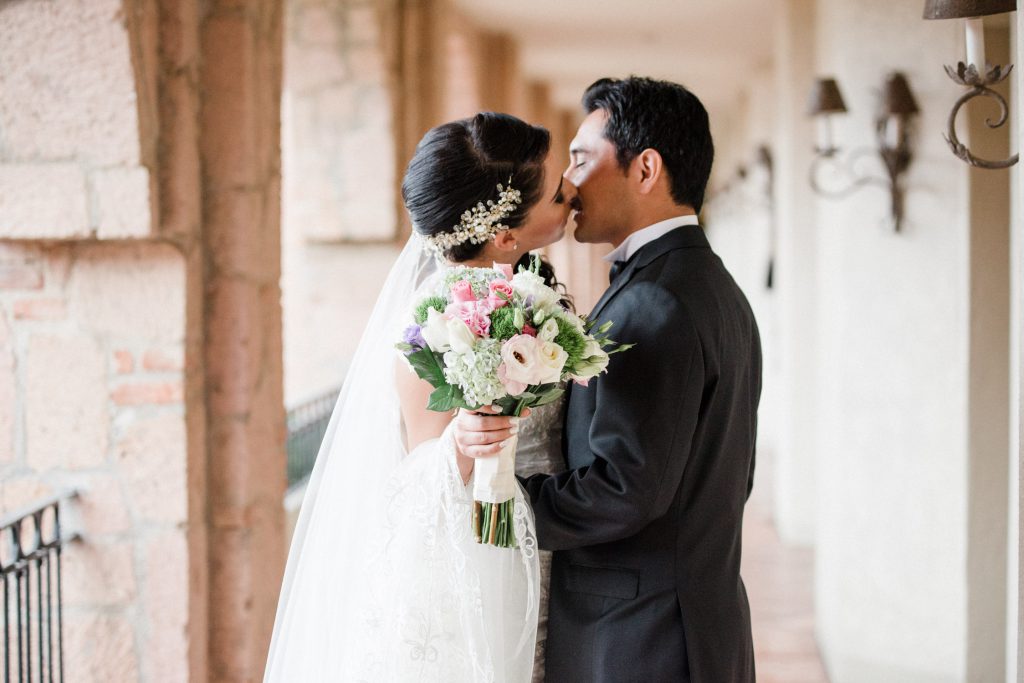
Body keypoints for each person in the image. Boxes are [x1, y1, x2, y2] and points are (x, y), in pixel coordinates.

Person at [456, 77, 762, 682]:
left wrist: (497, 509)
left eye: (580, 159)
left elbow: (627, 487)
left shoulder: (655, 301)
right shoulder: (709, 285)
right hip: (692, 617)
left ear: (645, 169)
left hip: (640, 638)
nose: (566, 183)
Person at [263, 112, 576, 682]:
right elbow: (418, 476)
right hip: (482, 559)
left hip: (535, 542)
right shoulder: (435, 321)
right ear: (504, 235)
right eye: (557, 193)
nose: (571, 193)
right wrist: (461, 441)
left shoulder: (521, 288)